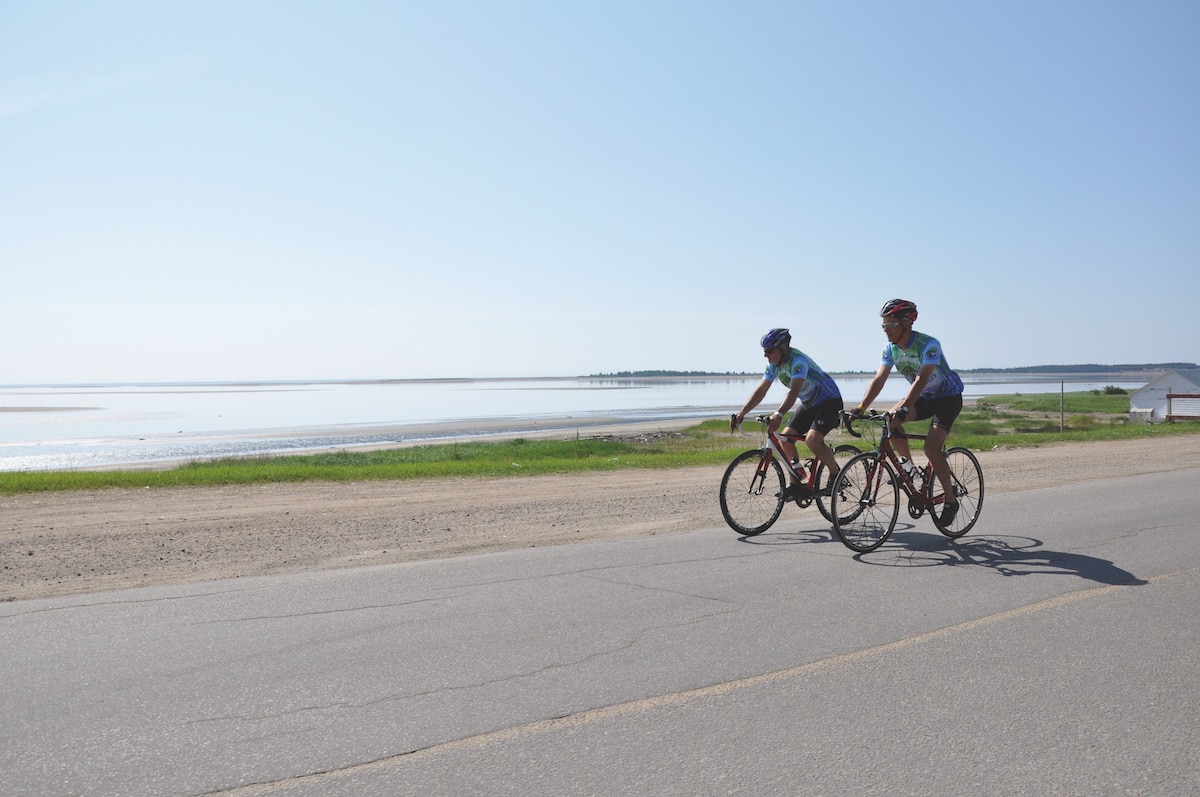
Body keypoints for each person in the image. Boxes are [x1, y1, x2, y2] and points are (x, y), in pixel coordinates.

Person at [851, 299, 964, 524]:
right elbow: (879, 379)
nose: (886, 330)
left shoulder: (928, 344)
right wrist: (861, 407)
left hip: (947, 398)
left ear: (906, 323)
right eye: (883, 326)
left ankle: (950, 500)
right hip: (923, 397)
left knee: (931, 448)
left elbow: (921, 378)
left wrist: (904, 405)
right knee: (890, 421)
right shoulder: (890, 349)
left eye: (890, 325)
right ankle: (910, 470)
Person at [733, 328, 844, 500]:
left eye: (769, 351)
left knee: (813, 440)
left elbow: (793, 392)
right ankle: (796, 482)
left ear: (783, 348)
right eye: (765, 351)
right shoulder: (773, 365)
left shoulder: (798, 361)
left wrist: (778, 414)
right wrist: (742, 412)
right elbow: (761, 390)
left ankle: (836, 474)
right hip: (810, 404)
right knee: (786, 438)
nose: (766, 355)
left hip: (830, 402)